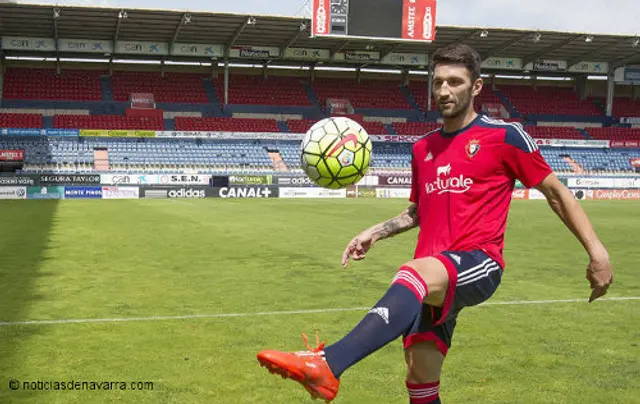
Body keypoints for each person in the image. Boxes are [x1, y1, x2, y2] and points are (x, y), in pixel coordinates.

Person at [256, 43, 614, 403]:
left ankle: (328, 364)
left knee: (412, 273)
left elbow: (555, 193)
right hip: (432, 275)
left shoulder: (505, 136)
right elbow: (418, 212)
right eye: (438, 82)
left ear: (476, 87)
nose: (444, 90)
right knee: (420, 378)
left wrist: (597, 252)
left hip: (478, 262)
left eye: (455, 82)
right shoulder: (422, 148)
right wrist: (375, 233)